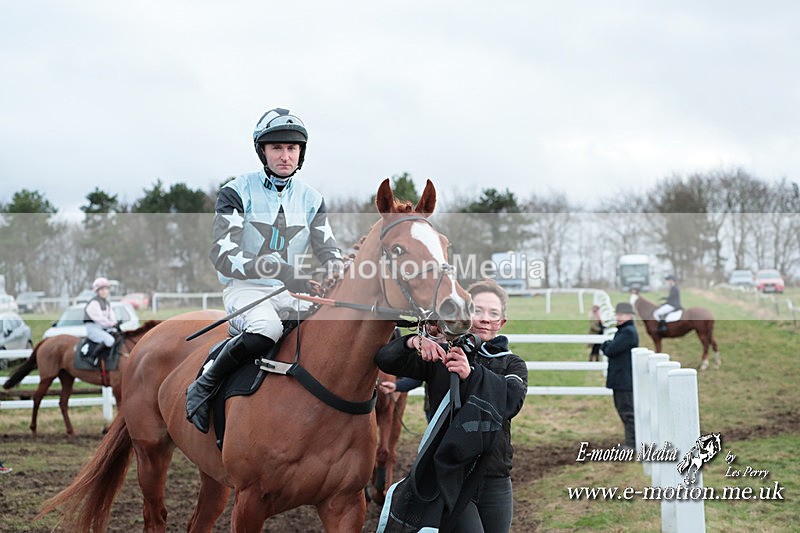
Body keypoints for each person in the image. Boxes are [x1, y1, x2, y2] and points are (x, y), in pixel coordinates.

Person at [186, 107, 344, 433]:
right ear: (262, 151)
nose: (285, 156)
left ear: (301, 153)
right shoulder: (236, 191)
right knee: (267, 329)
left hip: (292, 293)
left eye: (292, 148)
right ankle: (205, 382)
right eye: (276, 148)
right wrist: (279, 268)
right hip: (245, 289)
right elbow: (223, 255)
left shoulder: (312, 199)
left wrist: (337, 267)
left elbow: (327, 247)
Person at [376, 278, 528, 532]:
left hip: (495, 475)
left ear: (502, 322)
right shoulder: (441, 355)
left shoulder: (512, 364)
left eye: (494, 313)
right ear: (465, 315)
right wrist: (413, 342)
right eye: (477, 311)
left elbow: (512, 401)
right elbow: (385, 360)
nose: (485, 318)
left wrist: (472, 375)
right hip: (449, 476)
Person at [600, 302, 639, 449]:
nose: (619, 317)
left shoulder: (627, 332)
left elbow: (610, 349)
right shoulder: (624, 330)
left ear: (629, 316)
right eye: (618, 314)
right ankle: (631, 442)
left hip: (623, 379)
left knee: (627, 411)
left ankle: (632, 443)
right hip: (621, 378)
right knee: (624, 410)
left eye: (622, 314)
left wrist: (606, 345)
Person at [83, 277, 119, 355]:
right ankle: (93, 358)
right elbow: (99, 319)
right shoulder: (94, 303)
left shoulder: (107, 303)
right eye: (101, 290)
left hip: (103, 328)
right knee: (110, 341)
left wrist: (115, 323)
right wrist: (112, 324)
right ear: (97, 291)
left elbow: (112, 316)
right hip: (92, 329)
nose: (104, 292)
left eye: (106, 289)